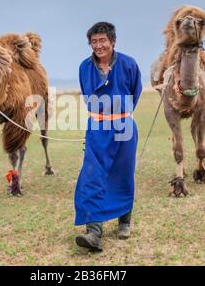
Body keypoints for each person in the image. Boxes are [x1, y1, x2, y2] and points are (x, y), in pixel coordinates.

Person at [74, 22, 143, 251]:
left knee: (123, 173)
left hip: (124, 125)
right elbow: (87, 96)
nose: (98, 45)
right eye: (94, 41)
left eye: (102, 40)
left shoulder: (129, 64)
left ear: (112, 41)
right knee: (92, 175)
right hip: (97, 127)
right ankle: (94, 232)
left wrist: (119, 114)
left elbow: (135, 92)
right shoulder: (85, 67)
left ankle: (124, 221)